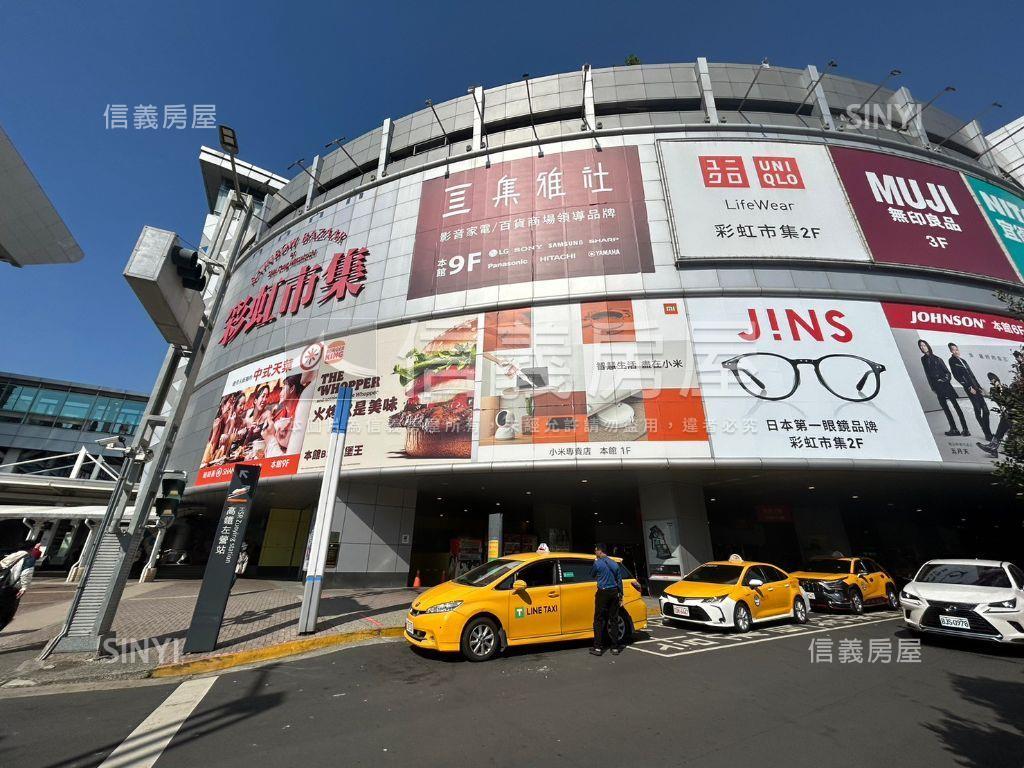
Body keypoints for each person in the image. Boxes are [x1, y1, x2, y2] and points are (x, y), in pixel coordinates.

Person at [918, 339, 968, 437]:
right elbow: (927, 374)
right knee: (945, 408)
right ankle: (954, 429)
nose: (922, 347)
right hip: (937, 387)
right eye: (920, 346)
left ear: (928, 346)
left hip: (945, 385)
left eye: (924, 345)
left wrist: (943, 380)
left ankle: (965, 429)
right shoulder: (923, 359)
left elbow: (948, 373)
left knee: (956, 407)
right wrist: (932, 386)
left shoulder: (938, 359)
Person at [948, 343, 992, 441]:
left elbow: (971, 375)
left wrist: (979, 387)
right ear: (951, 351)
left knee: (985, 410)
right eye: (953, 350)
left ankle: (987, 431)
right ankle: (987, 433)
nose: (956, 351)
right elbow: (957, 376)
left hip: (976, 387)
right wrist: (968, 387)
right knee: (977, 409)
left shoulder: (963, 360)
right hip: (970, 388)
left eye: (956, 349)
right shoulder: (952, 361)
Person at [589, 543, 623, 656]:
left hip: (603, 592)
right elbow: (619, 581)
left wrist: (595, 563)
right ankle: (615, 647)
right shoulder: (614, 563)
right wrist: (621, 595)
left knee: (599, 619)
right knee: (613, 620)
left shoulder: (597, 563)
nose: (595, 552)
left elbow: (592, 575)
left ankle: (598, 647)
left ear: (600, 551)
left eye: (595, 550)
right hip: (614, 592)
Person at [978, 372, 1012, 457]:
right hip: (1008, 413)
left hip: (1013, 413)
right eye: (992, 380)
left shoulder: (1006, 389)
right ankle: (993, 448)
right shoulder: (993, 390)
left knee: (1006, 425)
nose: (993, 381)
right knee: (1004, 423)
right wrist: (987, 395)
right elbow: (997, 398)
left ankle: (993, 447)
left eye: (995, 380)